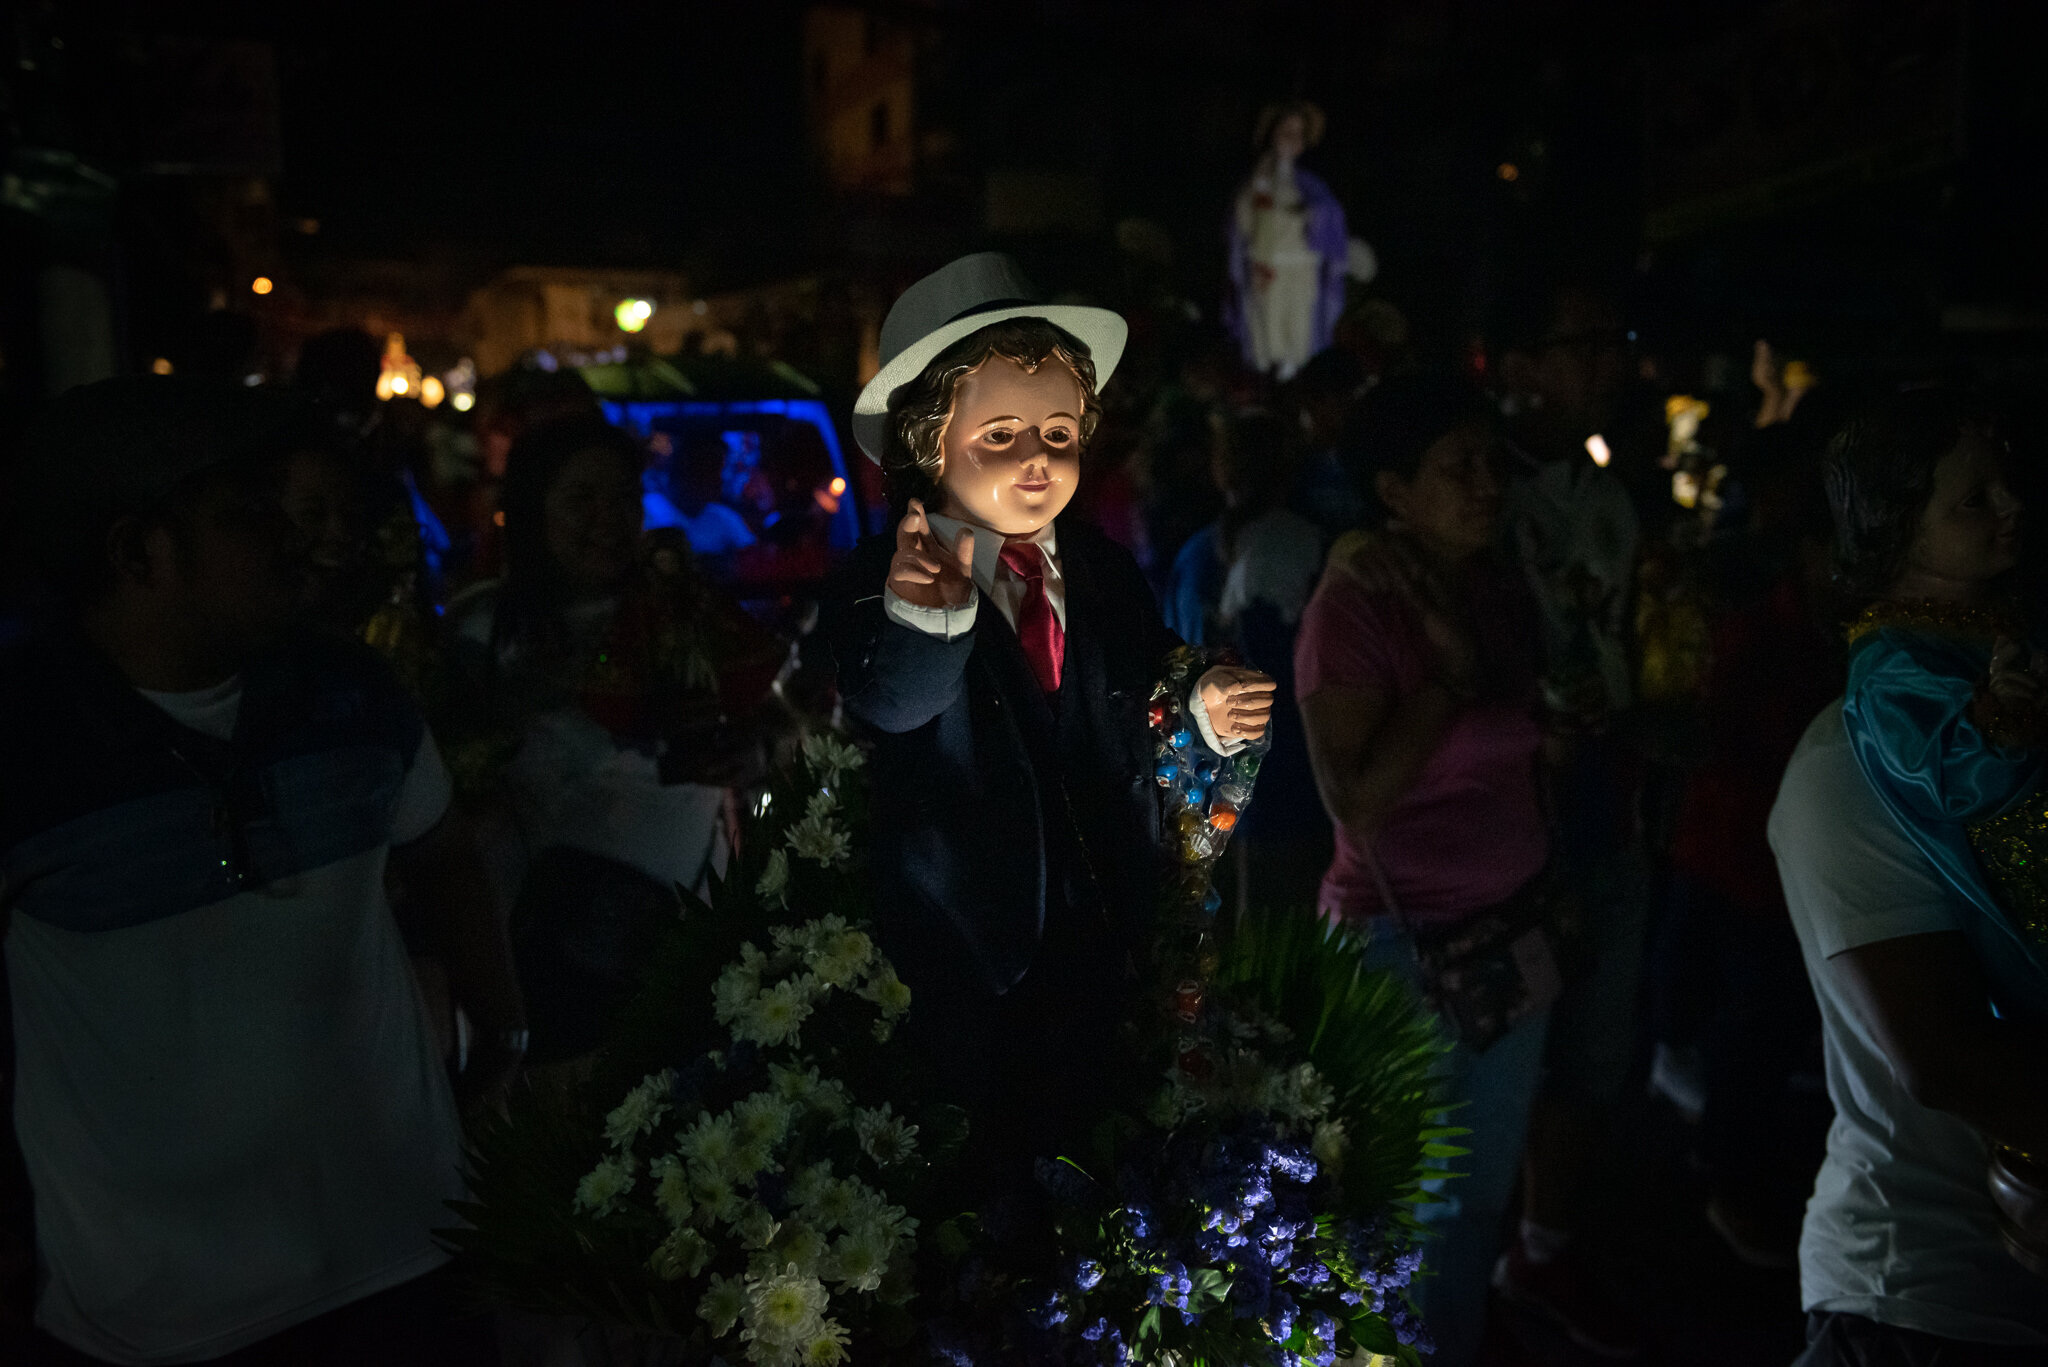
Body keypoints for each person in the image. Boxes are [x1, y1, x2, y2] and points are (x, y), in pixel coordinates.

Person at [0, 376, 520, 1365]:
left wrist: (505, 1025)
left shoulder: (352, 693)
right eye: (246, 512)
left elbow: (446, 851)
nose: (290, 534)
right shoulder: (23, 748)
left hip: (410, 1259)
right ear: (140, 549)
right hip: (162, 1318)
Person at [827, 253, 1274, 1159]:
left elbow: (1143, 676)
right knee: (989, 1166)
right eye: (999, 435)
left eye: (1060, 433)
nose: (1037, 457)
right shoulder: (886, 578)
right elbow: (893, 701)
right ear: (927, 444)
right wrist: (929, 618)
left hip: (1109, 922)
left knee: (1108, 1139)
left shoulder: (1101, 568)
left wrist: (1199, 699)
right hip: (968, 951)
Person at [1770, 389, 2048, 1360]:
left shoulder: (2016, 676)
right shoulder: (1858, 752)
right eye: (1972, 498)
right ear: (1895, 527)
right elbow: (1945, 1056)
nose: (2012, 505)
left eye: (2007, 482)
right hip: (1917, 1294)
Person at [1294, 374, 1548, 1367]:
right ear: (1392, 490)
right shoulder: (1351, 606)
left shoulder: (1492, 579)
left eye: (1492, 462)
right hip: (1400, 948)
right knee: (1402, 1199)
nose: (1486, 484)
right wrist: (1443, 678)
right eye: (1457, 467)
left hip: (1506, 930)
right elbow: (1352, 798)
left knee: (1478, 1192)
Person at [445, 413, 782, 1064]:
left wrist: (755, 752)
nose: (609, 519)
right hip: (540, 949)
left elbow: (764, 726)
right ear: (529, 508)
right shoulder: (481, 627)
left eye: (625, 497)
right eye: (581, 498)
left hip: (683, 926)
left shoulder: (684, 610)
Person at [1489, 278, 1647, 1359]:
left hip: (1602, 793)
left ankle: (1541, 1243)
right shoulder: (1478, 494)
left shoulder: (1612, 498)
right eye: (1580, 340)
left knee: (1592, 1040)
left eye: (1612, 341)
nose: (1606, 362)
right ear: (1519, 365)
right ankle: (1463, 1249)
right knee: (1498, 1042)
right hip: (1506, 808)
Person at [1162, 408, 1328, 912]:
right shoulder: (1303, 544)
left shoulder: (1192, 556)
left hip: (1207, 777)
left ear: (1221, 471)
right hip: (1292, 774)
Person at [1225, 101, 1350, 381]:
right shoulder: (1258, 180)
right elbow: (1245, 224)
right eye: (1285, 130)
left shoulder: (1310, 186)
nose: (1290, 138)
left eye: (1297, 133)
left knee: (1297, 331)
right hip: (1265, 269)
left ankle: (1293, 378)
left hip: (1300, 271)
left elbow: (1329, 215)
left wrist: (1312, 215)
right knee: (1266, 331)